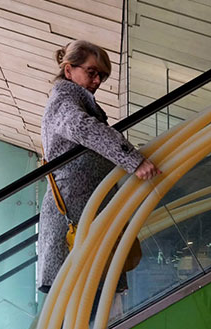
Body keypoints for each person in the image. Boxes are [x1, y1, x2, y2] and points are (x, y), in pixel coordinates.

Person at [38, 39, 160, 294]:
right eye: (91, 73)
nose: (96, 82)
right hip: (76, 216)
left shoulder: (76, 102)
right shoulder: (64, 102)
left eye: (101, 77)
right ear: (69, 70)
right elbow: (83, 128)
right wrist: (132, 160)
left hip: (85, 215)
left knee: (89, 302)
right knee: (82, 305)